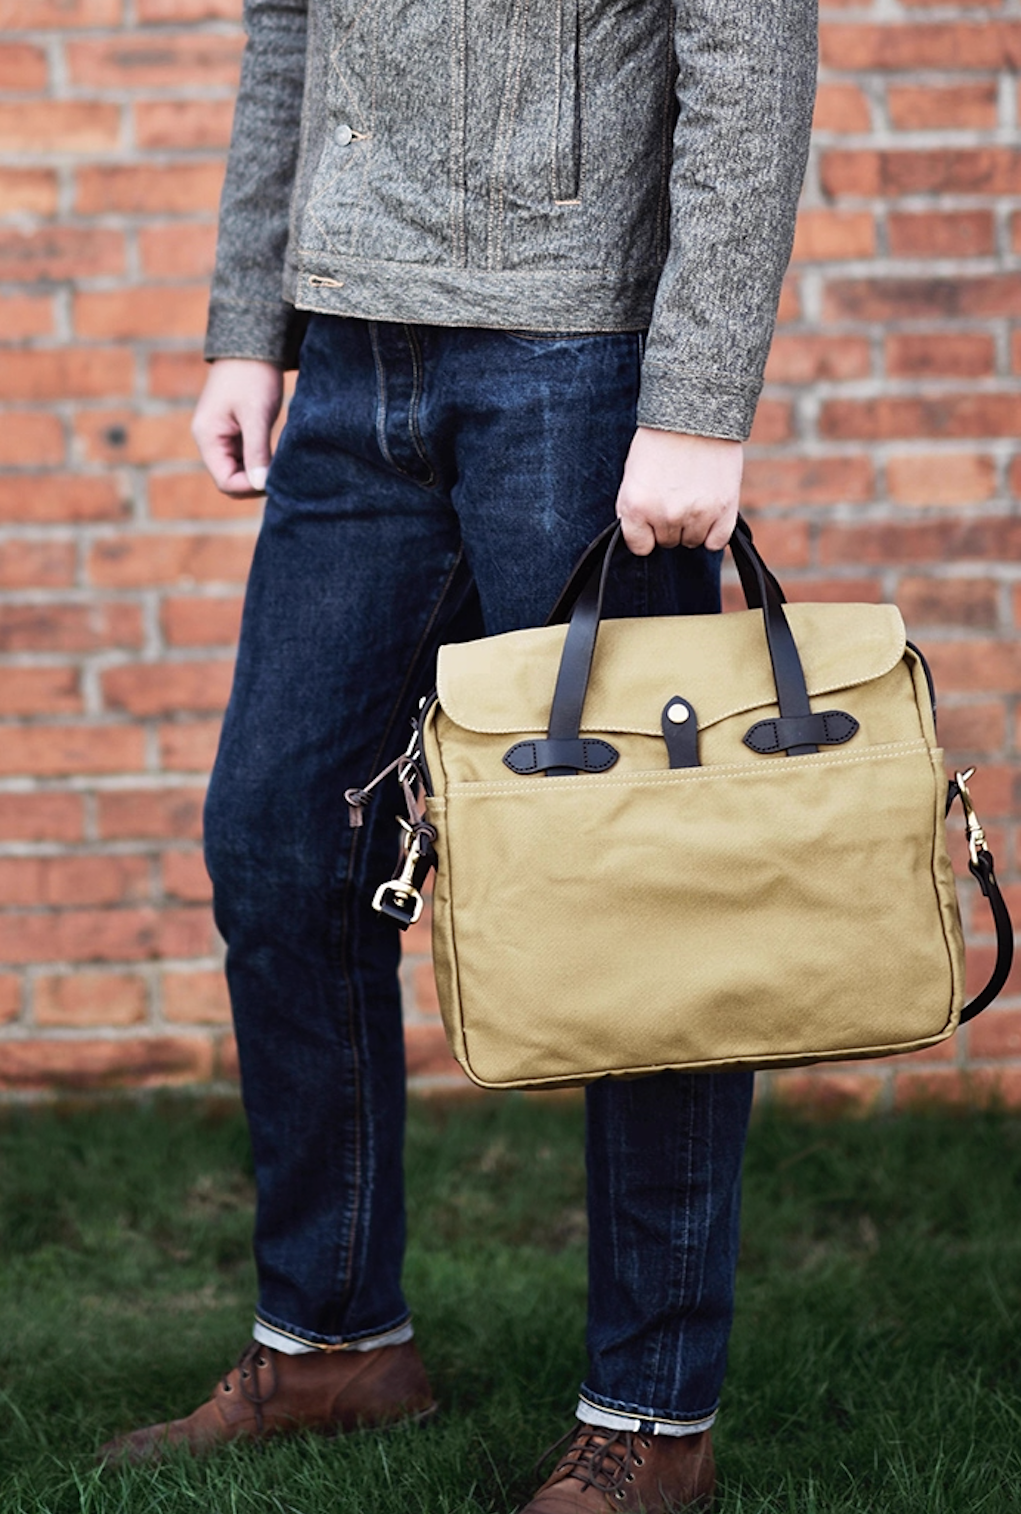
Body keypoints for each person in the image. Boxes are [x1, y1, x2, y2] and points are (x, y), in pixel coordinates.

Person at [99, 1, 817, 1506]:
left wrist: (697, 399)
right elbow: (292, 24)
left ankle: (649, 1418)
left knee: (639, 890)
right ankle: (333, 1338)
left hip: (575, 363)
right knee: (283, 840)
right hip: (354, 359)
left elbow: (748, 47)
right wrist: (250, 319)